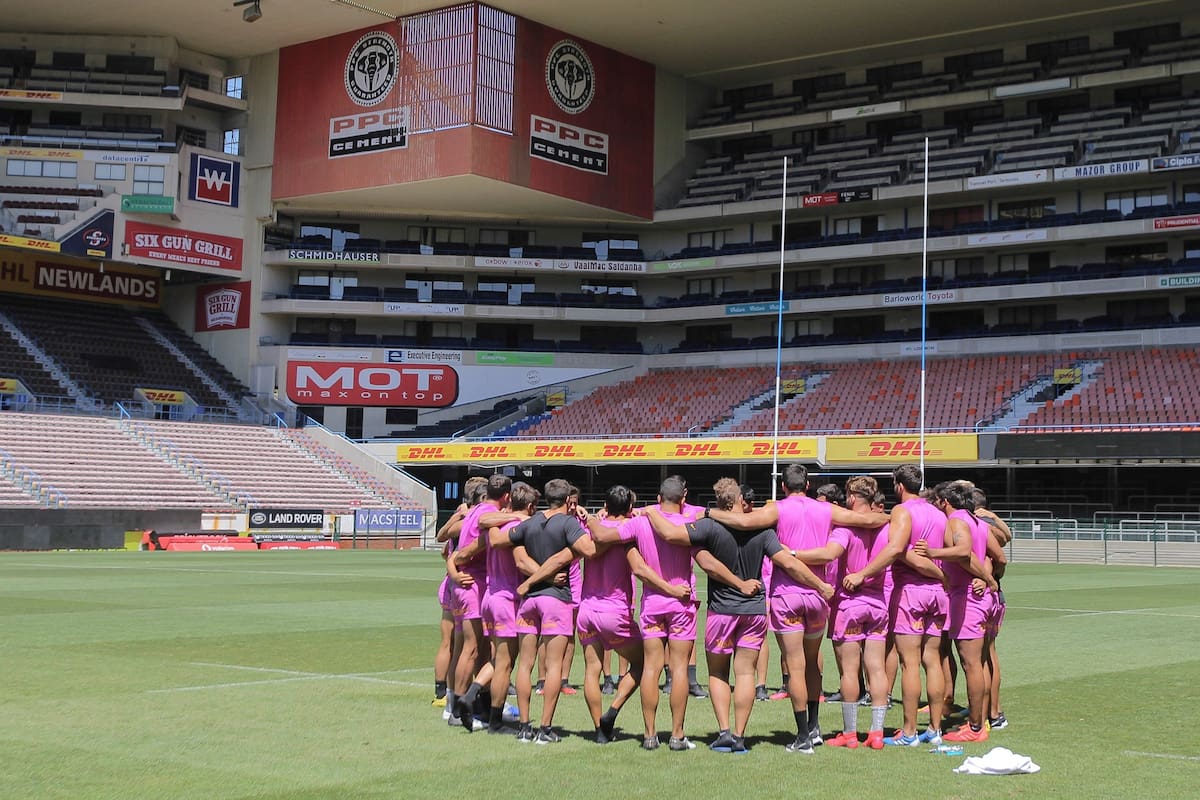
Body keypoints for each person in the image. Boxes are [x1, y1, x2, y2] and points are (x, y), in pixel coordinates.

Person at [646, 477, 834, 754]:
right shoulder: (763, 530)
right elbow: (788, 562)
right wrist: (820, 585)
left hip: (722, 611)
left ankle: (723, 732)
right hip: (754, 611)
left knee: (719, 672)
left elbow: (672, 535)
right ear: (740, 501)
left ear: (718, 502)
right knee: (745, 672)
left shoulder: (708, 526)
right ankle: (739, 735)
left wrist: (648, 510)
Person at [709, 463, 887, 754]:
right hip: (818, 594)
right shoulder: (827, 509)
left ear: (783, 487)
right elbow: (866, 520)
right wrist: (899, 514)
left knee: (795, 665)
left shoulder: (776, 508)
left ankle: (803, 735)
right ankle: (815, 728)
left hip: (787, 594)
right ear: (807, 487)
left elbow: (741, 523)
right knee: (813, 661)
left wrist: (706, 512)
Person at [587, 476, 700, 751]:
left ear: (658, 498)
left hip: (652, 604)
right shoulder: (691, 521)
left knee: (650, 667)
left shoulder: (639, 522)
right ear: (683, 498)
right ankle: (677, 734)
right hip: (681, 601)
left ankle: (650, 735)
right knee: (680, 668)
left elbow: (603, 535)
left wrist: (591, 517)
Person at [843, 464, 947, 747]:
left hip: (912, 592)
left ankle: (910, 732)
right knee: (933, 661)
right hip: (938, 594)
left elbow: (896, 550)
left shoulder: (902, 511)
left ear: (899, 485)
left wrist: (863, 573)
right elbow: (946, 552)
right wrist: (939, 573)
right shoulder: (939, 513)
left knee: (909, 663)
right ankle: (935, 730)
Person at [790, 476, 891, 750]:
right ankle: (878, 732)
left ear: (853, 496)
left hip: (851, 603)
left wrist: (793, 553)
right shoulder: (886, 525)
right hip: (879, 603)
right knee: (877, 668)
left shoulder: (845, 527)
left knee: (849, 670)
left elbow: (827, 554)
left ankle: (850, 733)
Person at [509, 478, 596, 744]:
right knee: (554, 665)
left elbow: (514, 549)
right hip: (555, 600)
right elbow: (590, 549)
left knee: (525, 664)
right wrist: (568, 553)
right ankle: (545, 729)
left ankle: (524, 727)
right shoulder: (568, 523)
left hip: (528, 601)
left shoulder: (530, 522)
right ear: (567, 499)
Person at [916, 482, 1000, 743]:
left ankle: (975, 728)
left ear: (944, 501)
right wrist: (988, 577)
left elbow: (963, 552)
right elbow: (991, 556)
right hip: (979, 596)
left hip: (968, 599)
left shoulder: (955, 521)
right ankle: (980, 721)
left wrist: (933, 552)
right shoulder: (977, 522)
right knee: (979, 662)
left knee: (971, 663)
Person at [572, 485, 647, 743]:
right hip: (613, 611)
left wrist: (591, 518)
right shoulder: (626, 532)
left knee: (591, 669)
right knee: (644, 662)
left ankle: (599, 730)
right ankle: (612, 711)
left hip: (586, 610)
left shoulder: (590, 530)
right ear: (628, 508)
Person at [447, 474, 512, 730]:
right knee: (472, 649)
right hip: (473, 584)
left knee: (481, 650)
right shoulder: (487, 514)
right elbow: (477, 544)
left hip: (468, 584)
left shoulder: (475, 510)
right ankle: (457, 709)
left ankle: (477, 707)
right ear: (506, 496)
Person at [476, 481, 538, 734]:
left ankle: (472, 699)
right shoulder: (517, 527)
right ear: (531, 506)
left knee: (496, 658)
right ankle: (495, 721)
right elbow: (521, 562)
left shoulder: (496, 522)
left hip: (490, 596)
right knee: (505, 663)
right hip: (507, 599)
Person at [432, 477, 487, 714]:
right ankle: (456, 698)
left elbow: (443, 543)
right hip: (464, 582)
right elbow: (445, 542)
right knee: (467, 646)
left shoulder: (464, 515)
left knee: (456, 644)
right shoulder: (474, 518)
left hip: (453, 582)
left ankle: (445, 695)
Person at [971, 486, 1011, 730]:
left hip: (983, 595)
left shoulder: (978, 524)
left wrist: (986, 578)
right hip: (995, 595)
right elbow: (1006, 541)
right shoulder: (990, 523)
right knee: (988, 656)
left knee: (980, 659)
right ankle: (993, 713)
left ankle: (986, 715)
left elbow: (993, 558)